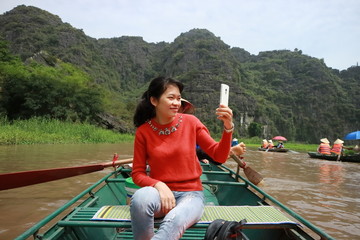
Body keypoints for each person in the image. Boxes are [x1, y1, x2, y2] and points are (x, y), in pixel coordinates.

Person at [130, 76, 234, 240]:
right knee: (140, 200)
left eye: (178, 98)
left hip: (191, 195)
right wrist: (159, 185)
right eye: (170, 98)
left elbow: (218, 155)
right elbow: (137, 173)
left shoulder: (191, 122)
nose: (176, 103)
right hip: (161, 196)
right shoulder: (143, 132)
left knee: (174, 219)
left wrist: (228, 128)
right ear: (154, 101)